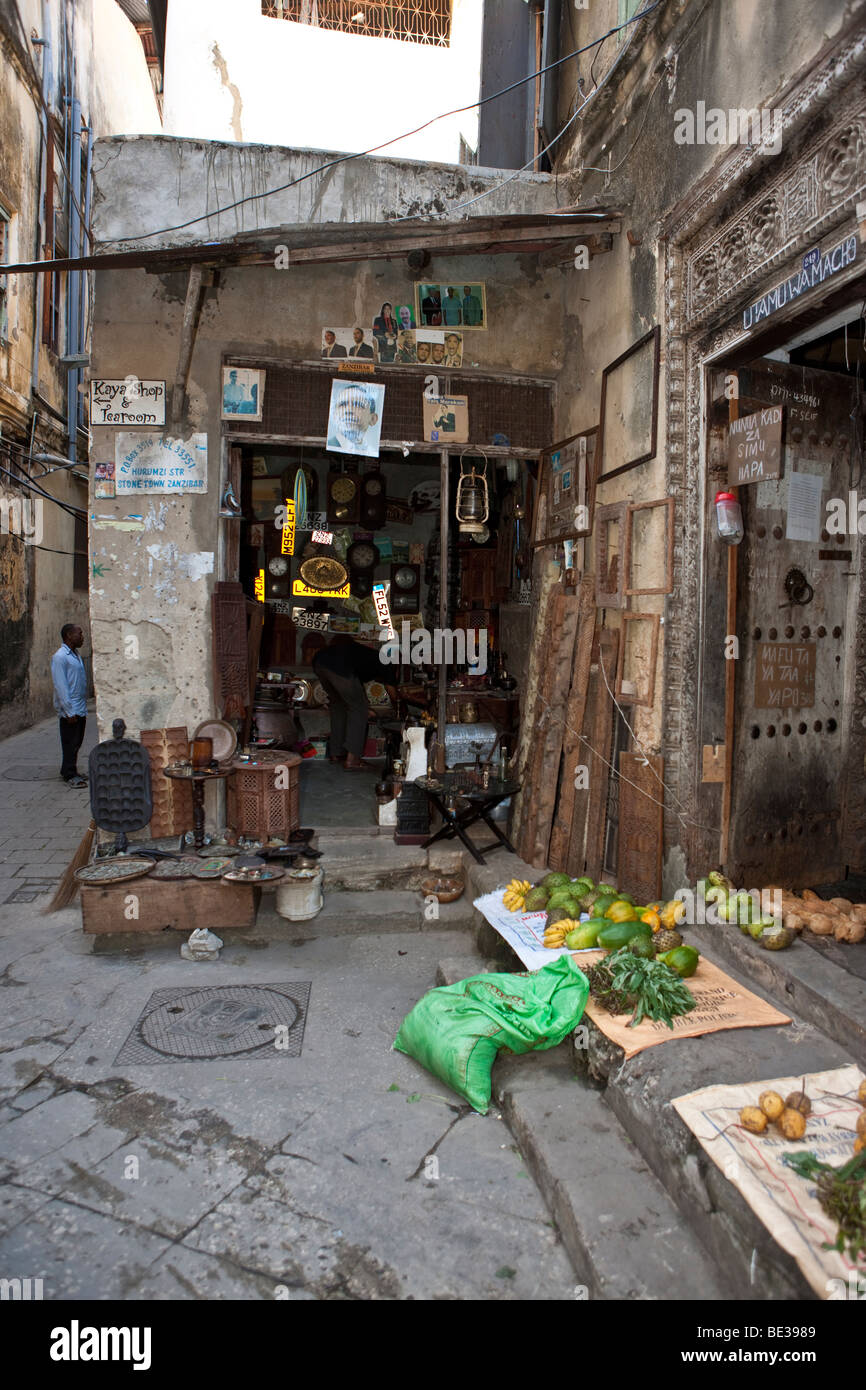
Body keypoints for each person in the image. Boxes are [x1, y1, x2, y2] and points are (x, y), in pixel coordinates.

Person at [313, 638, 397, 770]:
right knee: (359, 709)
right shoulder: (388, 663)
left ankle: (337, 754)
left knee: (338, 706)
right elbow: (393, 693)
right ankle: (353, 760)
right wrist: (398, 709)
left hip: (320, 662)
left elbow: (355, 688)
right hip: (339, 665)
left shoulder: (368, 659)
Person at [51, 623, 88, 787]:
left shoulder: (75, 654)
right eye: (79, 633)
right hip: (70, 709)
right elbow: (61, 686)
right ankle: (70, 775)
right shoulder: (60, 657)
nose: (82, 636)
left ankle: (68, 769)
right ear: (68, 635)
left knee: (77, 741)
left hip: (79, 706)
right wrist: (68, 710)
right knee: (69, 742)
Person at [327, 382, 380, 453]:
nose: (348, 410)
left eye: (358, 405)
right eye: (342, 404)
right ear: (334, 415)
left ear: (373, 419)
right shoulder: (330, 445)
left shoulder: (371, 451)